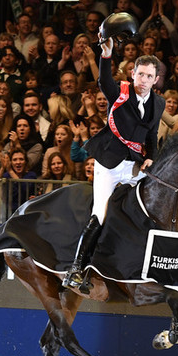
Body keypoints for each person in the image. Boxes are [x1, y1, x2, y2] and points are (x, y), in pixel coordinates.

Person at [63, 28, 165, 293]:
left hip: (134, 165)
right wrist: (105, 56)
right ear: (133, 74)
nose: (144, 79)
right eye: (140, 74)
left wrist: (151, 158)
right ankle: (76, 268)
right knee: (101, 213)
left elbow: (152, 134)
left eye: (149, 76)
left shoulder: (159, 103)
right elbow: (103, 82)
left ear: (156, 80)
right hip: (109, 163)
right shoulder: (119, 92)